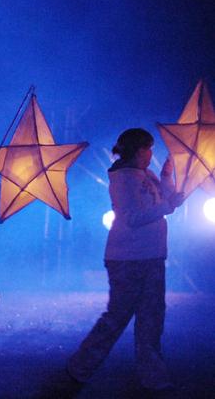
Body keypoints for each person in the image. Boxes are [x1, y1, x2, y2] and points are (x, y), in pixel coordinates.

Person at [67, 128, 184, 390]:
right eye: (148, 148)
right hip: (128, 258)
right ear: (138, 150)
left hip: (151, 255)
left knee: (152, 317)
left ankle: (152, 375)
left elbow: (164, 199)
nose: (151, 153)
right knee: (118, 316)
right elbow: (132, 218)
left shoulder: (147, 174)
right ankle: (79, 367)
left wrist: (166, 176)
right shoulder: (123, 179)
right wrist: (168, 206)